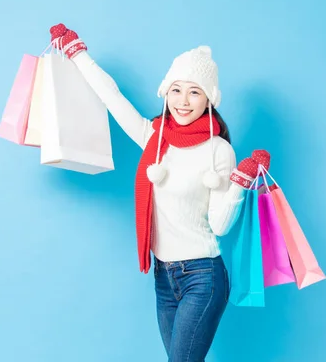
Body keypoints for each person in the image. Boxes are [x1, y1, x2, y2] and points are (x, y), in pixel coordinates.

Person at [49, 24, 271, 361]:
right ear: (165, 92)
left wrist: (240, 182)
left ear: (209, 98)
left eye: (195, 92)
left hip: (203, 277)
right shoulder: (153, 138)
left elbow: (221, 225)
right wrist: (78, 54)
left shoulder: (217, 151)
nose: (183, 101)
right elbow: (112, 97)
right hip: (164, 276)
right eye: (176, 90)